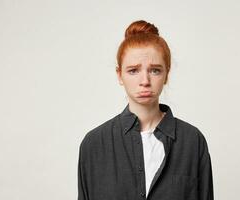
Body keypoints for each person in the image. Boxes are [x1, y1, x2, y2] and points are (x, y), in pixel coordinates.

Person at [78, 20, 214, 200]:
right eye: (133, 70)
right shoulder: (94, 144)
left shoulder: (192, 141)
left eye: (155, 70)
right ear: (119, 75)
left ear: (167, 73)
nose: (145, 81)